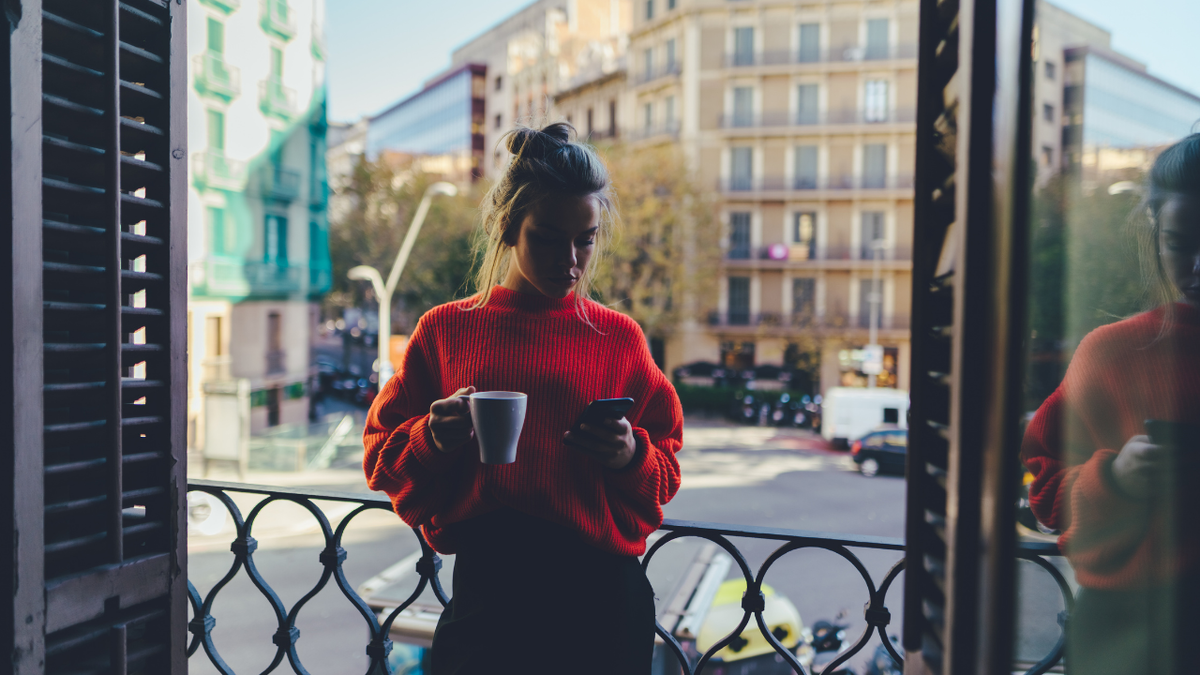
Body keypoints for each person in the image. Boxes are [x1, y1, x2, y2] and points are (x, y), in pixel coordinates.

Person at [362, 122, 684, 674]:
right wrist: (432, 438)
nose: (572, 260)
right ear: (508, 228)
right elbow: (380, 461)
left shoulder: (620, 338)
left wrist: (629, 454)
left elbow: (665, 476)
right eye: (549, 238)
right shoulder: (446, 330)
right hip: (492, 594)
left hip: (602, 604)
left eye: (586, 238)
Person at [1021, 134, 1200, 674]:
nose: (1197, 265)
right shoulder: (1111, 353)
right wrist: (1116, 477)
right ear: (1155, 234)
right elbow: (1042, 489)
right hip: (1130, 643)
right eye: (1178, 242)